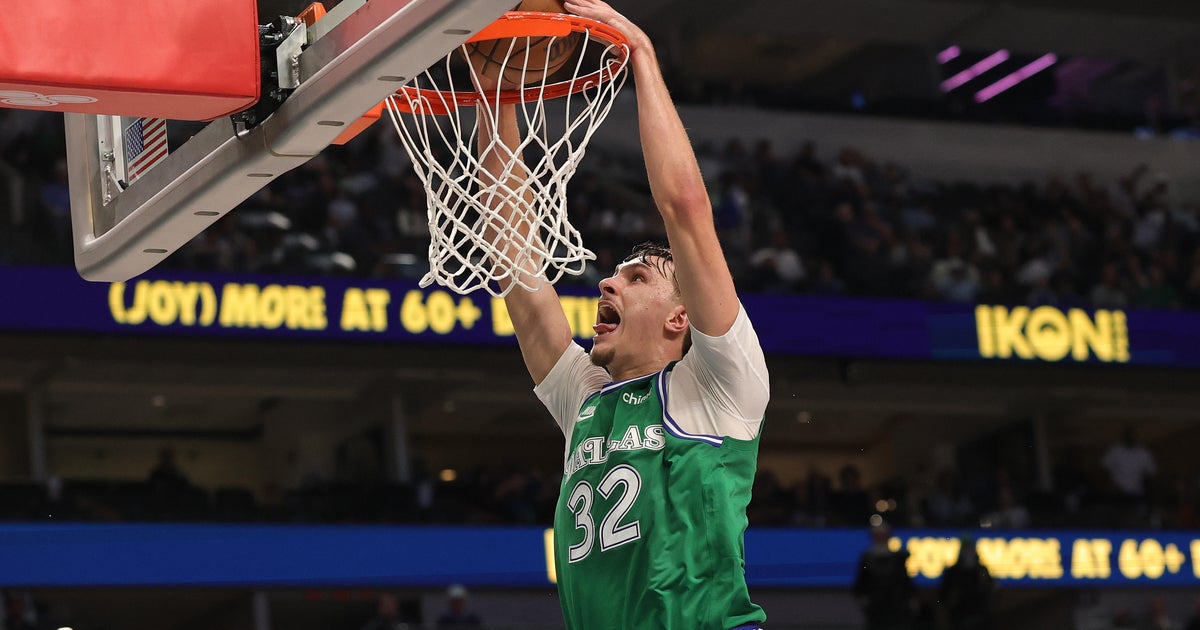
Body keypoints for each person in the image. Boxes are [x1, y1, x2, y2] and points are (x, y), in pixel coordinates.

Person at [477, 1, 769, 627]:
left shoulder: (720, 385)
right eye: (615, 274)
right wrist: (498, 96)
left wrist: (642, 57)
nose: (606, 280)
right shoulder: (586, 400)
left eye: (637, 279)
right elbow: (517, 264)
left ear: (679, 317)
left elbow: (685, 209)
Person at [853, 523, 917, 630]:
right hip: (875, 607)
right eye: (878, 535)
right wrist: (864, 599)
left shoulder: (899, 558)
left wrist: (911, 598)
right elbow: (861, 582)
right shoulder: (866, 558)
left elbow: (905, 581)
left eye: (883, 534)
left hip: (896, 606)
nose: (880, 538)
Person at [937, 537, 993, 630]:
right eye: (965, 549)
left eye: (970, 548)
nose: (968, 552)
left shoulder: (981, 571)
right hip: (957, 618)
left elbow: (990, 592)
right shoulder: (952, 572)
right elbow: (942, 597)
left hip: (979, 618)